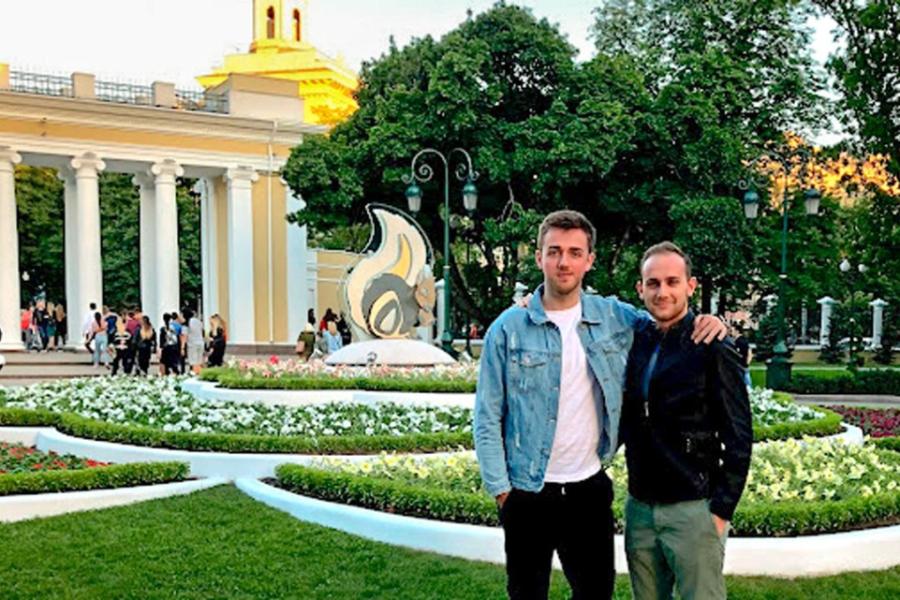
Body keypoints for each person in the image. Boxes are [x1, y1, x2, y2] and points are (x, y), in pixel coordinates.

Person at [473, 210, 726, 600]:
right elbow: (487, 416)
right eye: (554, 251)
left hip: (587, 491)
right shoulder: (507, 329)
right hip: (527, 492)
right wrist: (502, 491)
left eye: (575, 252)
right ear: (539, 257)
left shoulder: (616, 318)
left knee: (595, 594)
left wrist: (712, 322)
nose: (564, 261)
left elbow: (667, 316)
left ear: (589, 260)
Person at [621, 242, 752, 600]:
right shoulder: (635, 339)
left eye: (672, 282)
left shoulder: (712, 345)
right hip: (640, 510)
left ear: (690, 286)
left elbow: (740, 437)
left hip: (693, 509)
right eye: (653, 283)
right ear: (641, 288)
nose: (662, 292)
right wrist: (530, 303)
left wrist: (720, 512)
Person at [184, 308, 205, 375]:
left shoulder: (187, 323)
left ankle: (194, 374)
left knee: (193, 361)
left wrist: (182, 347)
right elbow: (202, 331)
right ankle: (200, 374)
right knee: (199, 361)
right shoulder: (198, 321)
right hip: (200, 342)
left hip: (192, 344)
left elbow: (185, 335)